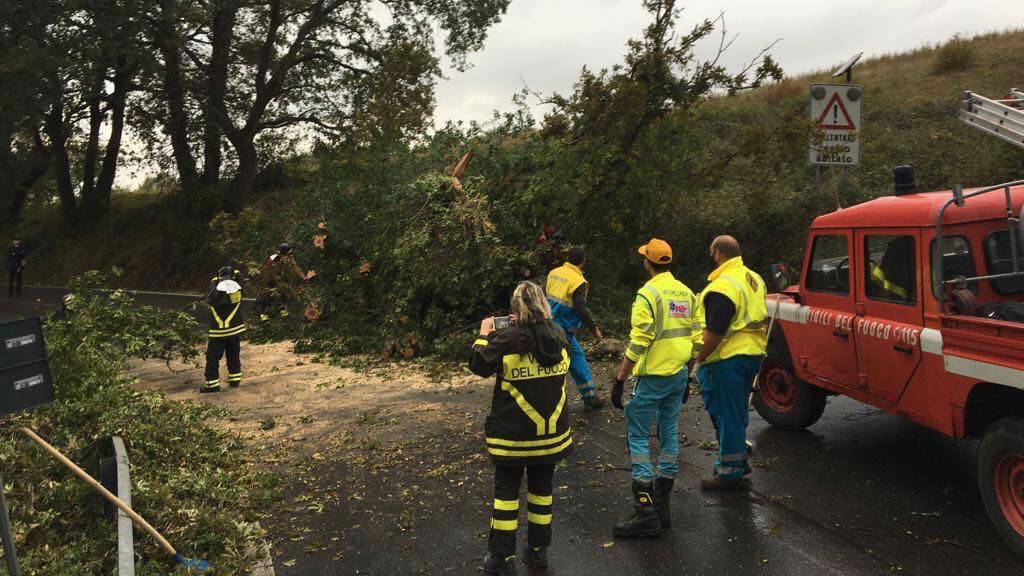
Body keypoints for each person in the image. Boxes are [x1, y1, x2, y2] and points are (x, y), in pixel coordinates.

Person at [469, 281, 573, 575]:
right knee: (542, 494)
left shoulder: (507, 339)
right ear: (543, 304)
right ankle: (538, 552)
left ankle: (500, 558)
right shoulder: (559, 335)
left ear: (516, 308)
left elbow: (478, 362)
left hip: (513, 438)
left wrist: (484, 334)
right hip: (551, 437)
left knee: (506, 496)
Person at [609, 238, 699, 538]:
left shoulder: (647, 294)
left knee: (637, 436)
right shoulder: (687, 293)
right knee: (669, 433)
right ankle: (662, 507)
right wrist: (687, 375)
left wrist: (621, 377)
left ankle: (645, 511)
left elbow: (640, 339)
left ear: (648, 262)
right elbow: (697, 340)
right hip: (677, 375)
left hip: (652, 379)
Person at [693, 235, 768, 490]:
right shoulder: (754, 278)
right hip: (753, 354)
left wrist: (698, 360)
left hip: (728, 358)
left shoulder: (723, 286)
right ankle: (737, 460)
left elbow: (714, 332)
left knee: (728, 415)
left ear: (717, 254)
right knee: (735, 412)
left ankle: (729, 473)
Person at [545, 246, 605, 409]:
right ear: (583, 261)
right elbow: (580, 308)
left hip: (547, 326)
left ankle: (588, 395)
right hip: (563, 331)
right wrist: (594, 328)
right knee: (570, 360)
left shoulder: (554, 273)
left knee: (569, 359)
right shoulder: (578, 281)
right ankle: (587, 397)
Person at [201, 266, 246, 393]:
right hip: (234, 331)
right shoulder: (237, 289)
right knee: (233, 355)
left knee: (213, 358)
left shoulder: (215, 292)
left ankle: (212, 385)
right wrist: (235, 274)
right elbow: (240, 280)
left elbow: (209, 296)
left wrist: (215, 280)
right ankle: (235, 381)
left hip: (218, 332)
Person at [256, 243, 310, 321]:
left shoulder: (288, 260)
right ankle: (264, 316)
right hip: (270, 280)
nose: (289, 257)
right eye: (287, 255)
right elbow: (267, 273)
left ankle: (284, 316)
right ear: (282, 254)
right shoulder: (273, 260)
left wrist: (304, 278)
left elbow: (296, 268)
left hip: (280, 281)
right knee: (267, 298)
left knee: (283, 296)